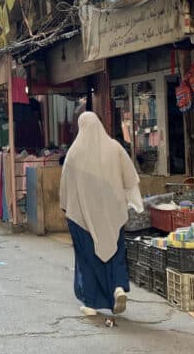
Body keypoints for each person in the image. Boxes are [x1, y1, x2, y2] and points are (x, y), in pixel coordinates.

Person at [59, 112, 142, 316]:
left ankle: (90, 302)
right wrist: (132, 201)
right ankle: (118, 286)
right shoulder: (115, 147)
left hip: (83, 216)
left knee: (87, 258)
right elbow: (130, 177)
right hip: (113, 213)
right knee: (115, 252)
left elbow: (65, 187)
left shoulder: (74, 153)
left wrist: (65, 207)